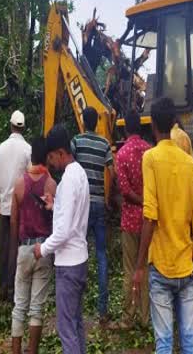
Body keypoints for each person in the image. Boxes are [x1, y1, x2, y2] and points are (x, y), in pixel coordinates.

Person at [132, 97, 193, 354]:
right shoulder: (190, 163)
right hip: (186, 265)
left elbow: (149, 215)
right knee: (188, 339)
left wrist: (139, 266)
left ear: (153, 125)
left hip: (161, 267)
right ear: (175, 122)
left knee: (163, 342)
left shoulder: (150, 158)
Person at [34, 125, 90, 354]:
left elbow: (64, 231)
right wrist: (54, 205)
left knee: (66, 328)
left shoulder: (67, 181)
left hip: (68, 264)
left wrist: (43, 248)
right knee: (75, 323)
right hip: (80, 259)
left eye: (51, 158)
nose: (51, 163)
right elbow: (73, 214)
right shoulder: (80, 174)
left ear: (60, 152)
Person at [10, 137, 57, 354]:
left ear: (31, 157)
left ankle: (16, 351)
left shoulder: (19, 184)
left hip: (24, 248)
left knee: (19, 305)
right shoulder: (51, 184)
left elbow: (13, 220)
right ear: (47, 157)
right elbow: (58, 219)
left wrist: (15, 249)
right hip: (44, 250)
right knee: (36, 308)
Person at [70, 107, 115, 324]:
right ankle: (103, 309)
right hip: (98, 203)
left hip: (81, 206)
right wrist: (108, 198)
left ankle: (76, 304)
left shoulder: (76, 142)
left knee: (78, 251)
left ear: (82, 121)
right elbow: (112, 172)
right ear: (97, 122)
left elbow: (68, 167)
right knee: (101, 254)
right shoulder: (104, 144)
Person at [0, 110, 32, 303]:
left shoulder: (1, 149)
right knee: (17, 247)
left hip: (5, 207)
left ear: (10, 125)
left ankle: (2, 288)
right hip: (21, 208)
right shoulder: (27, 150)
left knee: (4, 246)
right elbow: (31, 177)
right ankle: (14, 289)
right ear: (23, 128)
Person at [115, 111, 151, 328]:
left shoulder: (122, 154)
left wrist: (139, 200)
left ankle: (128, 317)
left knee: (130, 269)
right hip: (148, 221)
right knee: (146, 269)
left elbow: (125, 192)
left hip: (130, 220)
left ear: (126, 129)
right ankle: (147, 318)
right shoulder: (150, 151)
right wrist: (147, 203)